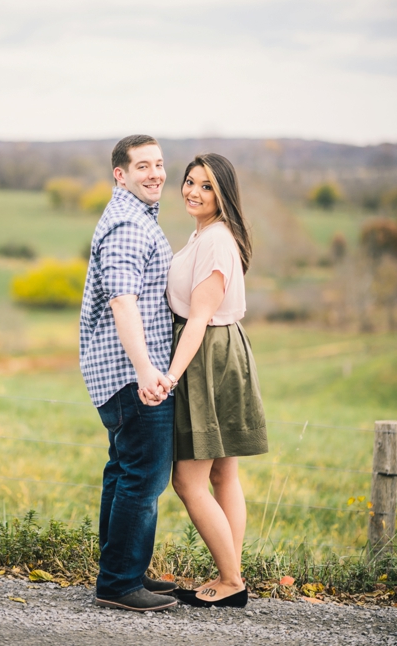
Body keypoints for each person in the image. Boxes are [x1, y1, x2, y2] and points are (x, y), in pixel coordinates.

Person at [163, 153, 267, 609]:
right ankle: (231, 573)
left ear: (222, 194)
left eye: (206, 186)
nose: (193, 191)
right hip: (222, 350)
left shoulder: (217, 240)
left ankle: (230, 580)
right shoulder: (205, 233)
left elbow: (200, 318)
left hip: (208, 356)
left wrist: (170, 375)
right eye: (189, 181)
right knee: (224, 473)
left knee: (188, 480)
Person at [79, 135, 178, 612]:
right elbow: (123, 302)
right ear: (121, 174)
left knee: (123, 472)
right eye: (143, 166)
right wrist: (145, 371)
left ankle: (122, 572)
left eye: (159, 164)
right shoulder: (126, 225)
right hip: (130, 374)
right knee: (143, 476)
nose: (155, 173)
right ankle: (119, 584)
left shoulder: (135, 218)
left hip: (122, 373)